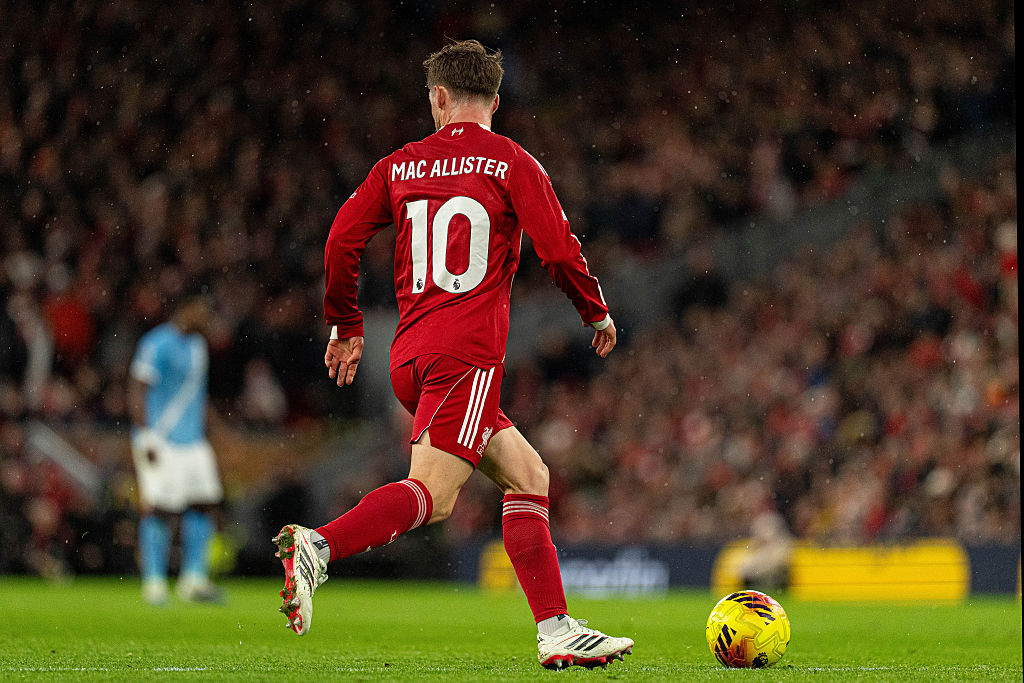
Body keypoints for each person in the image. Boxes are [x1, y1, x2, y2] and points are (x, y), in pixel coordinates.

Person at [273, 39, 633, 670]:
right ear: (495, 101)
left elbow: (340, 238)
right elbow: (555, 245)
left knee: (529, 476)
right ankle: (319, 546)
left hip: (410, 356)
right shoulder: (513, 162)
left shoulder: (399, 165)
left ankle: (555, 628)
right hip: (465, 355)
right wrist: (594, 308)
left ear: (438, 99)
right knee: (433, 496)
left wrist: (345, 324)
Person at [129, 293, 223, 605]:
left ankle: (194, 579)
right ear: (186, 309)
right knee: (160, 508)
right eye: (204, 312)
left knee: (204, 503)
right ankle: (154, 582)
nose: (208, 320)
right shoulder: (156, 343)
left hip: (193, 441)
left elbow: (197, 394)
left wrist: (217, 431)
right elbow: (137, 390)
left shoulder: (199, 346)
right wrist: (146, 438)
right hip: (161, 438)